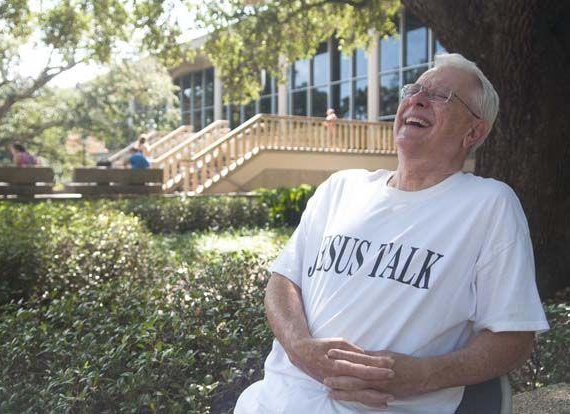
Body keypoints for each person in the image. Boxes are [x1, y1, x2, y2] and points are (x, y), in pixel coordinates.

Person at [235, 53, 548, 414]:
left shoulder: (489, 204)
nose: (416, 99)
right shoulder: (341, 187)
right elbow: (283, 281)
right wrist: (301, 349)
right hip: (268, 403)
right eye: (414, 89)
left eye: (441, 95)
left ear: (474, 131)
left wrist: (421, 375)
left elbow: (513, 336)